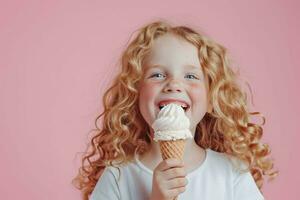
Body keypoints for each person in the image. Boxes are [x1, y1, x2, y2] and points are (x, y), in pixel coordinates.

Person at [72, 19, 278, 200]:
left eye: (190, 76)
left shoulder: (232, 173)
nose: (174, 84)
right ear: (135, 93)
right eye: (157, 75)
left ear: (212, 98)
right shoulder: (118, 176)